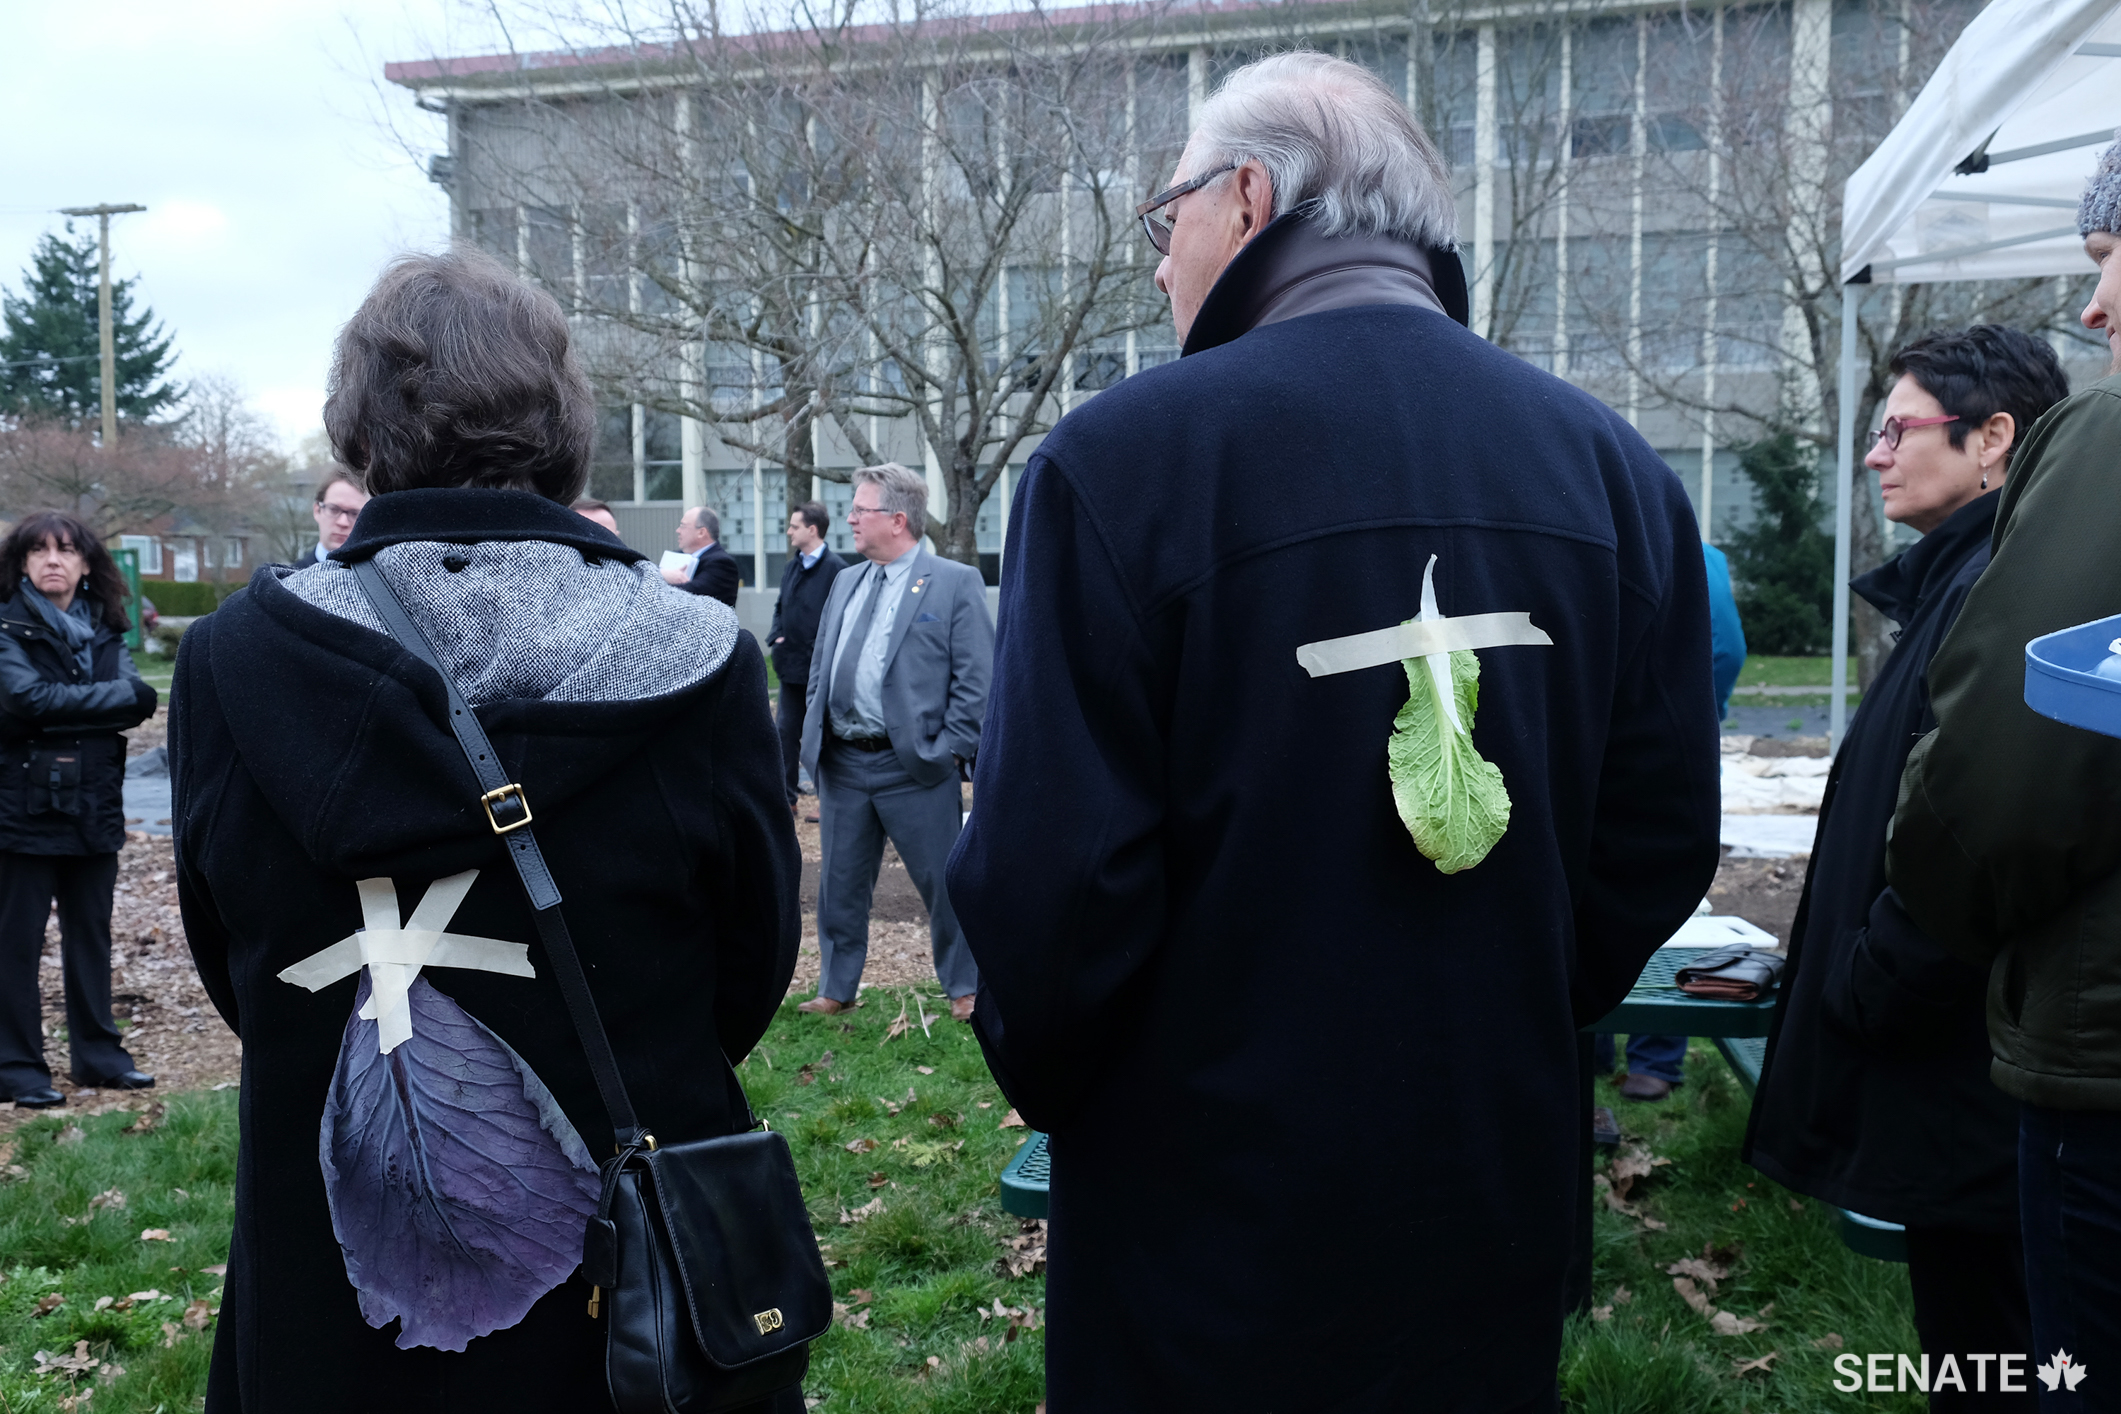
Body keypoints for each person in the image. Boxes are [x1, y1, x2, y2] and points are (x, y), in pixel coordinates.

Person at [944, 52, 1720, 1411]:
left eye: (1163, 216)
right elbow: (1653, 837)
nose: (1159, 260)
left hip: (1206, 1185)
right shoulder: (1609, 468)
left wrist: (1086, 1079)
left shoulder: (1125, 461)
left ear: (1247, 198)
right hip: (1489, 1162)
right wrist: (1507, 996)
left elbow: (1050, 882)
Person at [171, 248, 799, 1412]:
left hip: (340, 1278)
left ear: (359, 428)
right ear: (564, 421)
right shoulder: (701, 662)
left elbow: (234, 961)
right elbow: (748, 963)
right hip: (628, 1260)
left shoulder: (227, 665)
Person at [1747, 326, 2069, 1396]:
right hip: (1960, 1076)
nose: (1876, 453)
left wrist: (1868, 978)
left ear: (1993, 440)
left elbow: (1980, 827)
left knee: (1995, 1356)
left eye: (1899, 428)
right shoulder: (1963, 577)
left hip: (1966, 1076)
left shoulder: (1996, 584)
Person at [1888, 138, 2121, 1404]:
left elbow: (2006, 782)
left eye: (2108, 256)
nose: (2094, 303)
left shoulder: (2109, 447)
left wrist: (1907, 918)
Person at [797, 463, 991, 1023]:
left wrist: (947, 748)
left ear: (898, 519)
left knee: (945, 885)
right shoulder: (845, 580)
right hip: (844, 765)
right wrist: (817, 732)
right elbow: (821, 667)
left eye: (861, 509)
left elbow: (976, 679)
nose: (850, 519)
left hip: (916, 768)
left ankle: (964, 989)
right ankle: (836, 988)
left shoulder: (953, 582)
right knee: (839, 887)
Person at [0, 512, 158, 1108]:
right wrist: (100, 704)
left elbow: (140, 700)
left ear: (86, 563)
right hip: (20, 808)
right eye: (38, 551)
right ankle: (16, 1067)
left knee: (89, 935)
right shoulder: (7, 625)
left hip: (94, 804)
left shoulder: (107, 624)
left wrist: (58, 709)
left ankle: (98, 1056)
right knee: (16, 941)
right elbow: (21, 698)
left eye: (65, 550)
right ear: (21, 563)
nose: (52, 561)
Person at [1597, 542, 1749, 1106]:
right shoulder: (1687, 540)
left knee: (1597, 876)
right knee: (1657, 874)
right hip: (1661, 737)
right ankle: (1649, 1059)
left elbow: (1727, 645)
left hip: (1598, 739)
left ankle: (1613, 1046)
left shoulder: (1667, 543)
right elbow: (1727, 646)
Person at [766, 502, 845, 818]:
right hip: (790, 668)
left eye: (794, 526)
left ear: (812, 530)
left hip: (821, 671)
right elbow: (780, 607)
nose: (789, 532)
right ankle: (788, 800)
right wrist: (776, 637)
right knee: (785, 732)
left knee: (826, 734)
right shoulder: (791, 567)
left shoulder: (838, 569)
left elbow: (841, 617)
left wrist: (820, 651)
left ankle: (832, 802)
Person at [660, 505, 740, 606]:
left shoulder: (722, 563)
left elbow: (688, 594)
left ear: (701, 532)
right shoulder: (677, 555)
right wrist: (662, 574)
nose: (678, 531)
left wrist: (660, 577)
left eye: (683, 526)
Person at [309, 468, 371, 563]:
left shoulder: (379, 576)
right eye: (334, 509)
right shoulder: (289, 576)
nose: (343, 522)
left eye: (354, 513)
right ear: (317, 510)